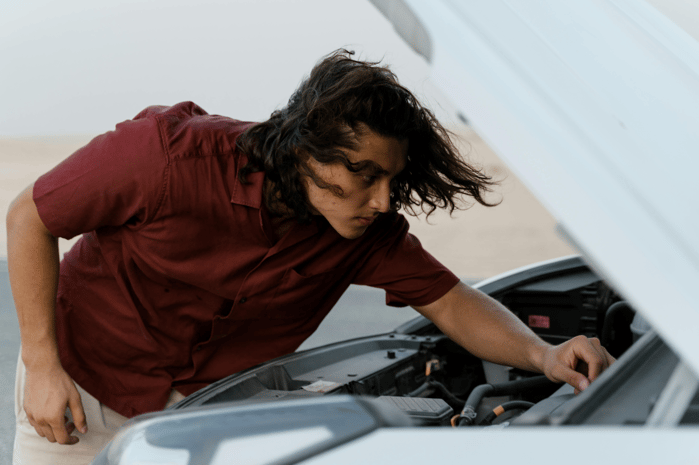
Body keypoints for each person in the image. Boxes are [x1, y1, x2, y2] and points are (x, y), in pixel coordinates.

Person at [7, 49, 614, 464]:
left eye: (390, 181)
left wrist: (544, 354)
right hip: (74, 387)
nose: (381, 201)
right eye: (364, 174)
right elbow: (29, 216)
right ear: (306, 149)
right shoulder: (162, 157)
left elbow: (452, 303)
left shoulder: (362, 233)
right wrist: (41, 365)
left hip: (202, 414)